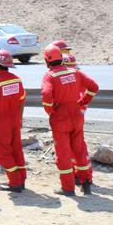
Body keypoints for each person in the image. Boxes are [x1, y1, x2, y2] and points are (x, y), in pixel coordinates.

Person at [41, 44, 98, 195]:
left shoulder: (50, 76)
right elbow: (94, 86)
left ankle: (68, 188)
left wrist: (51, 111)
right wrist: (83, 101)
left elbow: (46, 96)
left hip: (60, 116)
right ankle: (86, 183)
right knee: (79, 150)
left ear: (47, 60)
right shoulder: (75, 72)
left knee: (64, 153)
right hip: (76, 114)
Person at [0, 49, 27, 192]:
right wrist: (20, 119)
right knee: (16, 150)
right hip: (15, 120)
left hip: (2, 122)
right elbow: (22, 99)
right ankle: (21, 179)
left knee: (3, 152)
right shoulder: (16, 79)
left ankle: (14, 182)